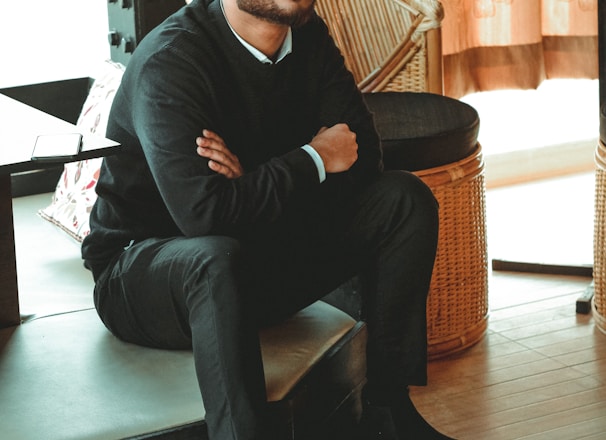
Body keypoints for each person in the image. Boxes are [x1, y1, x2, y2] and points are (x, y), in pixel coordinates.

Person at [82, 0, 452, 438]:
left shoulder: (308, 36)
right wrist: (311, 157)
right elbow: (204, 216)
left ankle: (386, 413)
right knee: (213, 256)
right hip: (144, 277)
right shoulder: (173, 60)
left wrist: (250, 180)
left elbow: (364, 160)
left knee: (403, 198)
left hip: (256, 248)